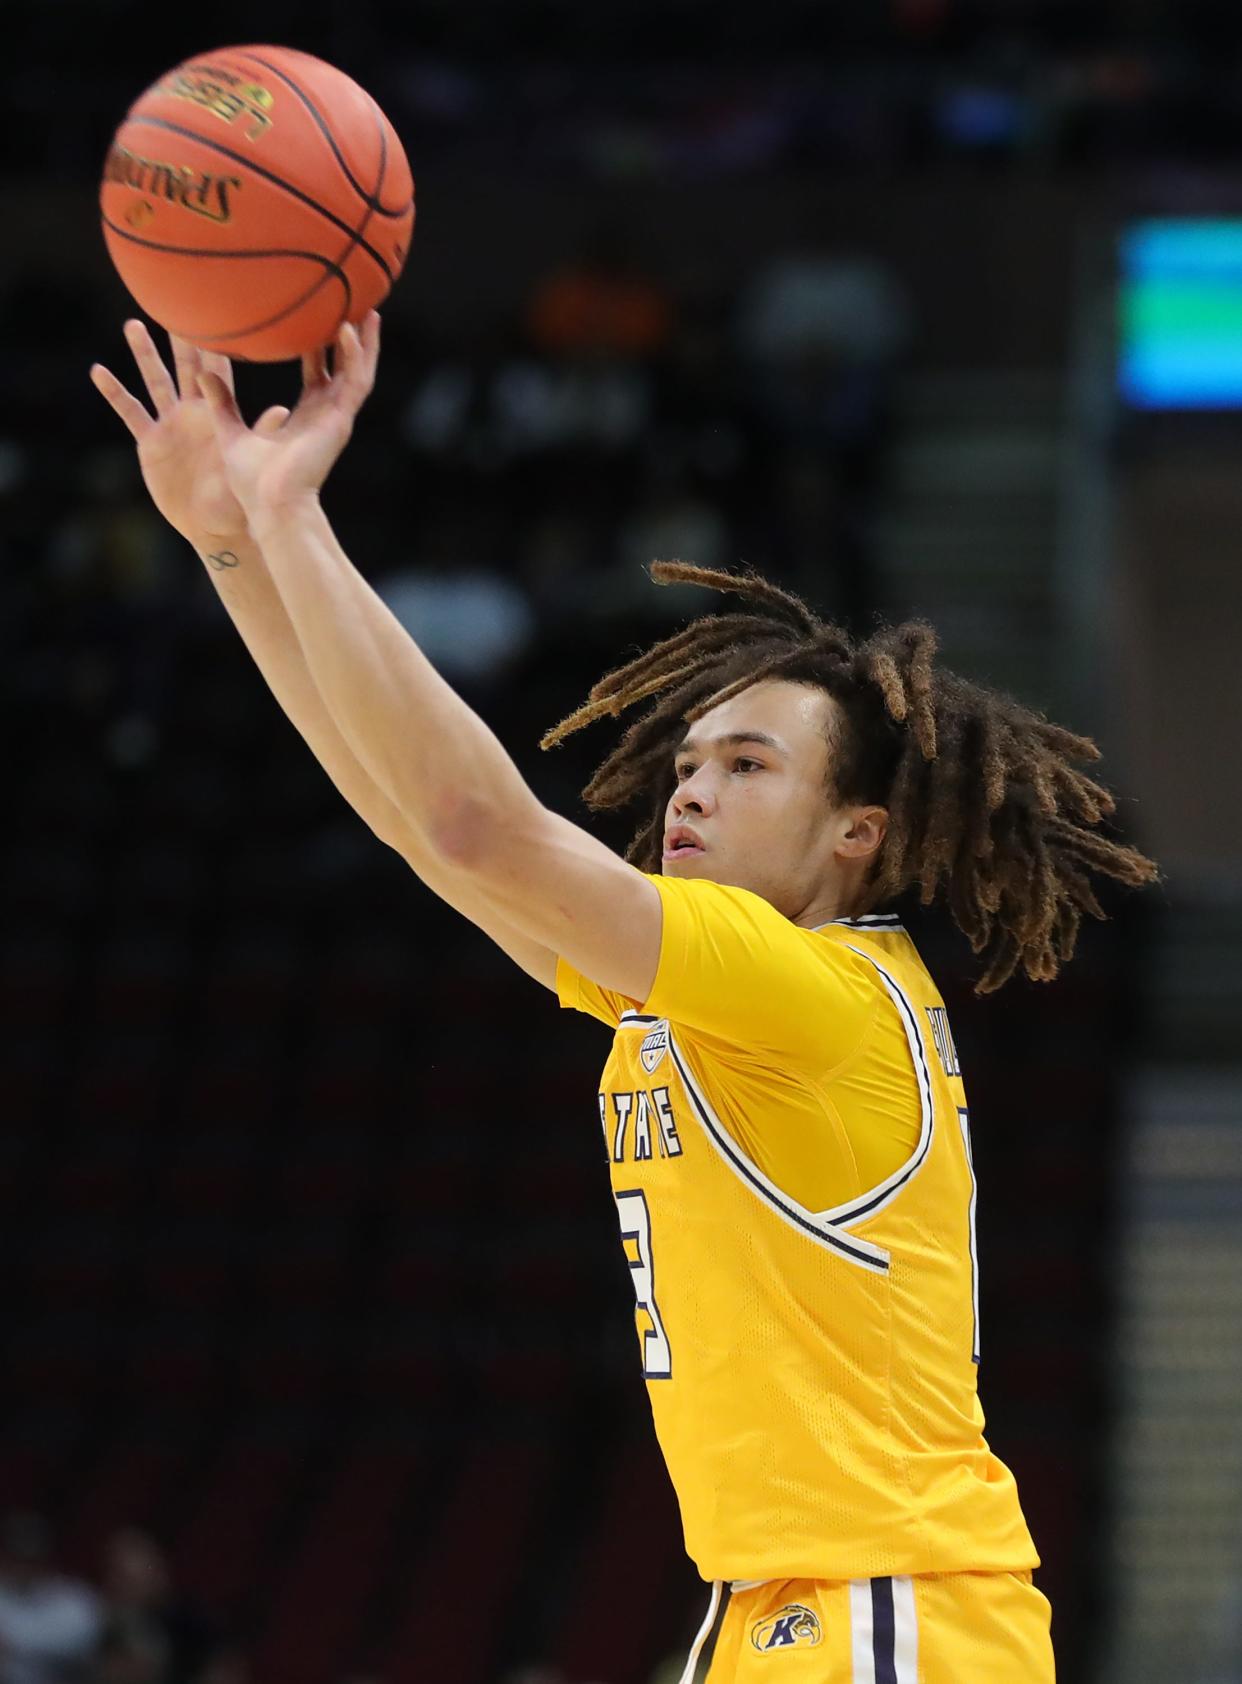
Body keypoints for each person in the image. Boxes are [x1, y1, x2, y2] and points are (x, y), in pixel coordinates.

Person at [91, 315, 1158, 1683]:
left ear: (858, 834)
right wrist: (230, 544)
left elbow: (481, 828)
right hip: (776, 1603)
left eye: (751, 765)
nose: (692, 788)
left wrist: (293, 521)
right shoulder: (703, 999)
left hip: (892, 1605)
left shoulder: (814, 992)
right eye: (689, 762)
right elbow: (421, 832)